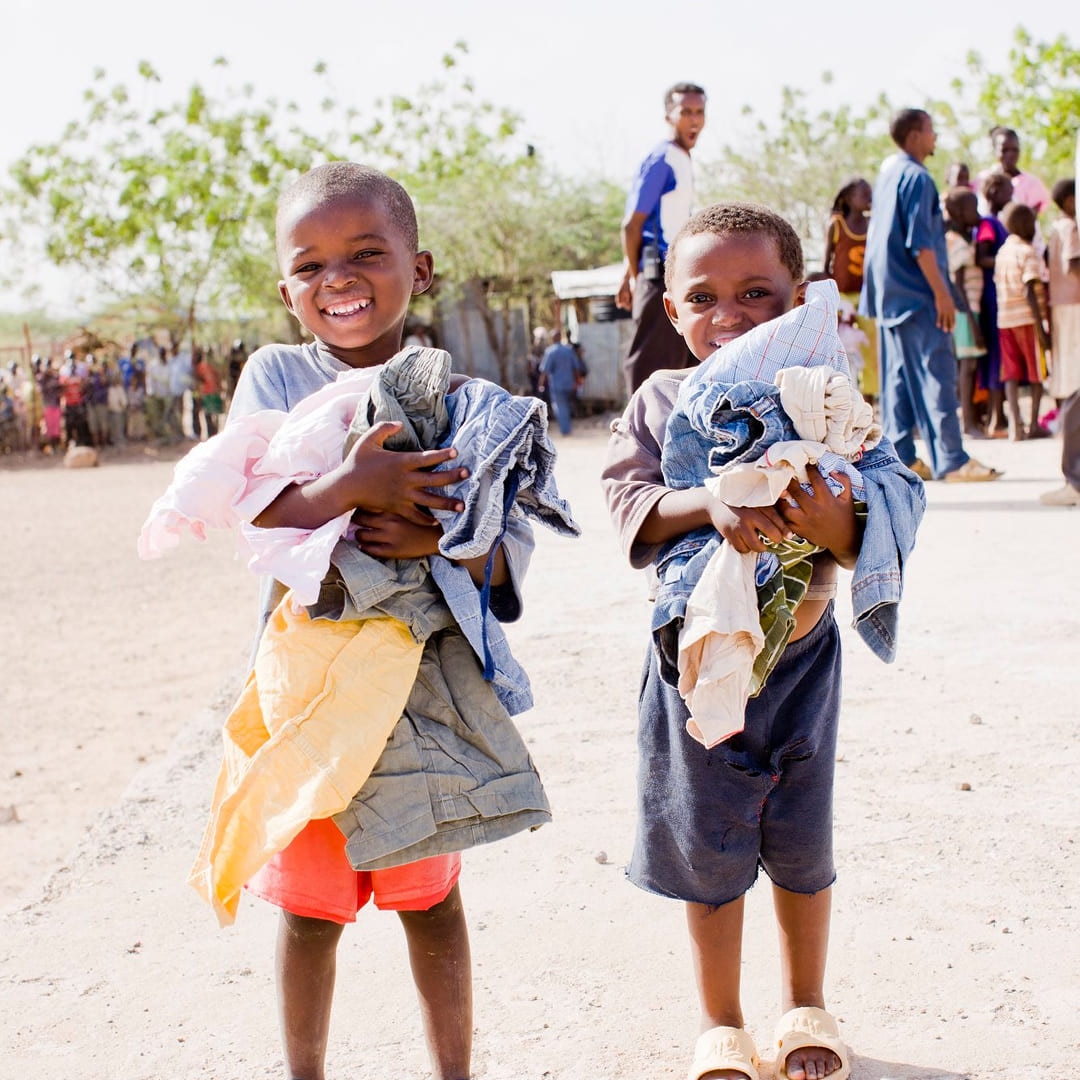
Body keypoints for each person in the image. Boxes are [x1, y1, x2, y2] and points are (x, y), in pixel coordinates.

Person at [189, 161, 563, 1080]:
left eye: (365, 254)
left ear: (420, 269)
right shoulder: (275, 375)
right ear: (286, 291)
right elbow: (253, 509)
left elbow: (500, 555)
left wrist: (431, 535)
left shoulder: (464, 398)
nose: (338, 280)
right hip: (311, 694)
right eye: (310, 266)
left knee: (429, 898)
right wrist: (353, 488)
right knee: (310, 912)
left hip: (419, 689)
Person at [603, 202, 924, 1080]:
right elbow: (629, 502)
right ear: (671, 312)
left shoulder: (829, 395)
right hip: (699, 665)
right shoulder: (665, 401)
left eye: (756, 293)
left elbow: (894, 490)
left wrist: (844, 522)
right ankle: (722, 1021)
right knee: (709, 848)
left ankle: (806, 1005)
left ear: (799, 298)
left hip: (804, 662)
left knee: (802, 846)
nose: (730, 315)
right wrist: (706, 502)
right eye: (702, 298)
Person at [860, 108, 1001, 482]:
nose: (935, 138)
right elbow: (921, 244)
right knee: (937, 373)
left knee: (898, 379)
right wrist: (943, 295)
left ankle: (902, 456)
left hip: (887, 296)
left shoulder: (888, 175)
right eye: (931, 130)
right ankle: (953, 460)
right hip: (918, 292)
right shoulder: (918, 178)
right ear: (915, 135)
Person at [616, 82, 706, 395]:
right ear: (669, 115)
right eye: (686, 112)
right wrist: (636, 275)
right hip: (658, 276)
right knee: (649, 369)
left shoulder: (682, 157)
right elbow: (633, 225)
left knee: (679, 366)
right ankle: (633, 438)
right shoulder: (662, 158)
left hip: (677, 275)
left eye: (700, 112)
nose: (694, 119)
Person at [995, 201, 1050, 440]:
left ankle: (1016, 425)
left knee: (1011, 374)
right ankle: (1033, 424)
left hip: (1005, 320)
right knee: (1037, 372)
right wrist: (1041, 328)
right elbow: (1029, 289)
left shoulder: (1002, 251)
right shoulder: (1028, 252)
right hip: (1027, 320)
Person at [1042, 178, 1080, 506]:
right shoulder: (1070, 227)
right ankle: (1074, 479)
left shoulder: (1058, 227)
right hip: (1073, 311)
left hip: (1065, 311)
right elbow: (1073, 264)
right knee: (1075, 393)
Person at [823, 177, 877, 402]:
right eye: (863, 194)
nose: (869, 198)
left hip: (867, 296)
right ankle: (838, 399)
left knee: (871, 348)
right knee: (837, 348)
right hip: (841, 296)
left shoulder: (874, 224)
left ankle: (869, 402)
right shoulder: (837, 225)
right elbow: (826, 266)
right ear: (848, 198)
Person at [943, 187, 987, 437]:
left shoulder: (959, 238)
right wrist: (971, 321)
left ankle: (968, 422)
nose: (977, 213)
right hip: (965, 311)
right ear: (959, 212)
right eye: (973, 208)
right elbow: (958, 284)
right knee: (967, 367)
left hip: (968, 309)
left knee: (966, 367)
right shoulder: (956, 242)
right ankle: (968, 423)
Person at [975, 172, 1015, 437]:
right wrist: (1008, 259)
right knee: (996, 356)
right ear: (994, 192)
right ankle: (996, 419)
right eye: (1008, 191)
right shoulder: (989, 223)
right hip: (992, 295)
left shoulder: (995, 221)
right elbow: (982, 257)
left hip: (997, 292)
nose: (1012, 196)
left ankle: (997, 417)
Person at [537, 331, 586, 435]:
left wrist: (541, 385)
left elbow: (545, 370)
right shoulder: (569, 351)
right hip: (569, 383)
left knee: (560, 407)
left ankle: (565, 430)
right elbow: (576, 368)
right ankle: (567, 427)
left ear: (553, 339)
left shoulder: (550, 352)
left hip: (557, 385)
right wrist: (578, 382)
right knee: (566, 405)